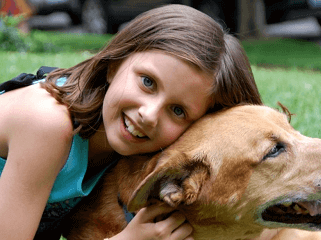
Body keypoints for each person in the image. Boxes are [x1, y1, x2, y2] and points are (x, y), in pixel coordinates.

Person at [0, 4, 262, 240]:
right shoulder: (47, 123)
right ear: (115, 63)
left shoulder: (131, 150)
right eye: (148, 82)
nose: (148, 115)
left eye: (178, 111)